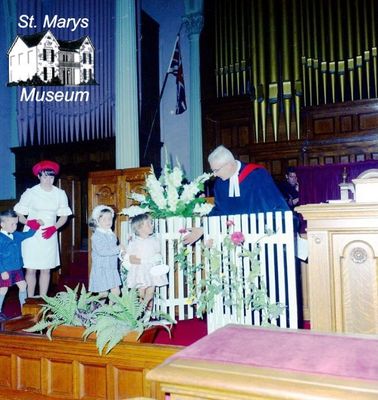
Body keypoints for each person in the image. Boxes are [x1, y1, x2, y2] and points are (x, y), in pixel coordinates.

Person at [184, 145, 288, 243]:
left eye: (216, 170)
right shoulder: (220, 184)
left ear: (229, 165)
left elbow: (272, 206)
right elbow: (219, 211)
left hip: (260, 235)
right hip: (234, 238)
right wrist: (203, 228)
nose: (214, 174)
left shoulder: (256, 175)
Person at [14, 160, 72, 298]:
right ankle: (29, 299)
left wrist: (54, 227)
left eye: (51, 177)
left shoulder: (60, 193)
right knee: (31, 269)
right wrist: (29, 221)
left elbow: (64, 216)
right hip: (32, 234)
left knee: (46, 269)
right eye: (45, 176)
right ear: (39, 176)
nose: (48, 180)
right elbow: (19, 214)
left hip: (49, 234)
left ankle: (43, 299)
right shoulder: (31, 192)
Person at [121, 213, 168, 319]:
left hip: (152, 271)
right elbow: (132, 259)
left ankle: (147, 314)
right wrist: (145, 261)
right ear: (139, 227)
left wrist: (158, 259)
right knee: (141, 294)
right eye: (148, 224)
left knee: (150, 294)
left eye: (151, 223)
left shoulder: (154, 240)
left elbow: (158, 253)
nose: (152, 225)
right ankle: (139, 313)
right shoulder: (134, 243)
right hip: (140, 271)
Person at [0, 210, 41, 318]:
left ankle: (25, 309)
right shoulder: (0, 238)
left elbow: (29, 234)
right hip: (5, 269)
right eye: (12, 224)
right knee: (3, 290)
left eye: (16, 224)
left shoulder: (16, 235)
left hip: (17, 268)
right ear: (2, 224)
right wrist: (2, 270)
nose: (15, 226)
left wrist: (37, 224)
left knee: (23, 285)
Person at [88, 205, 123, 298]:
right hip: (101, 268)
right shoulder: (96, 236)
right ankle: (96, 311)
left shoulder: (112, 235)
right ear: (97, 222)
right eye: (104, 219)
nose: (108, 222)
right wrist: (118, 248)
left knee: (116, 292)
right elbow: (102, 251)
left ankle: (110, 311)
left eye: (109, 219)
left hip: (111, 268)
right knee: (103, 294)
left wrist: (122, 253)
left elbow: (114, 251)